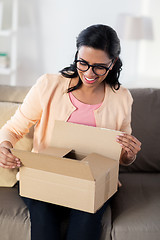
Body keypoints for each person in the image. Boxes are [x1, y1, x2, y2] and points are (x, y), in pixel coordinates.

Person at [0, 24, 141, 240]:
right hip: (45, 174)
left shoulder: (122, 97)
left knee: (86, 218)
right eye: (83, 63)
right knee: (43, 214)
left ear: (112, 63)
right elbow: (14, 127)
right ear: (76, 55)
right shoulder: (49, 85)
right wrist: (4, 146)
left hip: (92, 180)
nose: (89, 73)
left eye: (99, 67)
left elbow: (121, 154)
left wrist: (128, 155)